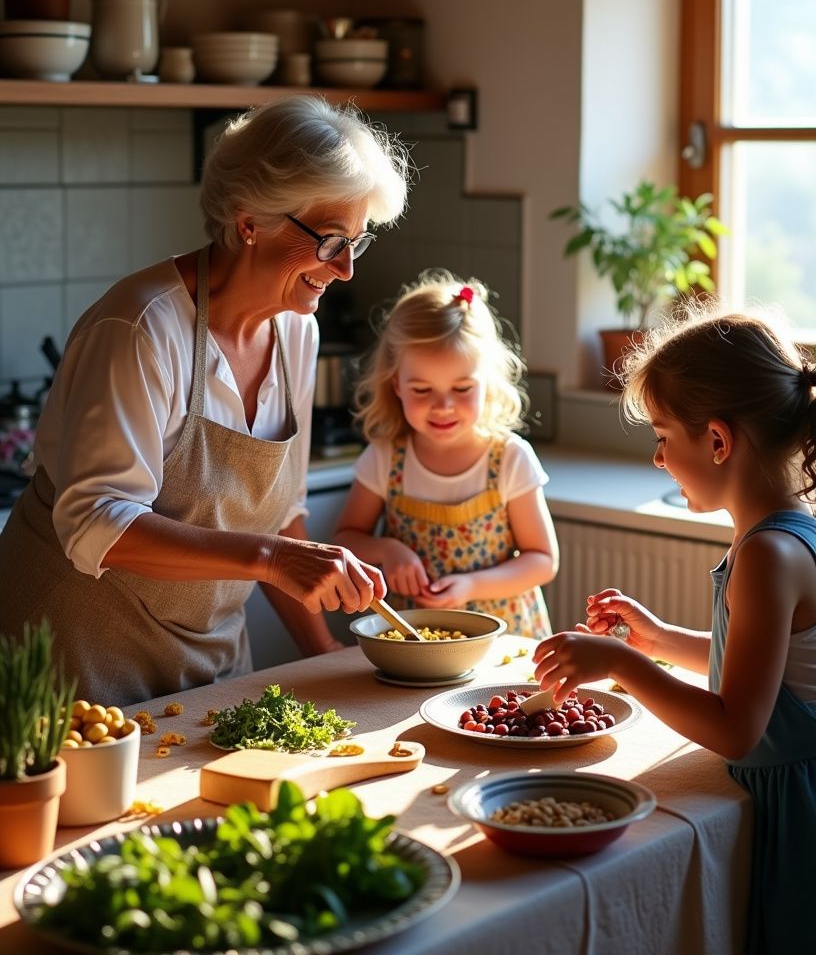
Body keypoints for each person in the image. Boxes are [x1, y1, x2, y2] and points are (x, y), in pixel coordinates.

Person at [0, 95, 410, 705]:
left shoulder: (297, 329)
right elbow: (96, 525)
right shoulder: (140, 328)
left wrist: (323, 654)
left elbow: (280, 518)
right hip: (70, 658)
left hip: (208, 660)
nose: (346, 269)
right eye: (329, 240)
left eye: (356, 241)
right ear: (250, 223)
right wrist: (273, 559)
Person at [531, 304, 816, 955]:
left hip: (801, 818)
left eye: (663, 435)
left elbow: (738, 723)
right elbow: (761, 669)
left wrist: (621, 663)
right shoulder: (787, 533)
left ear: (717, 441)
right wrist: (658, 639)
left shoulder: (766, 553)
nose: (659, 456)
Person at [333, 271, 558, 636]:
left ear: (488, 381)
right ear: (397, 385)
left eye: (462, 387)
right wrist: (387, 550)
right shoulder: (385, 457)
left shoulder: (511, 459)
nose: (443, 406)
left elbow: (542, 561)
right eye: (422, 389)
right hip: (415, 637)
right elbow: (345, 539)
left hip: (502, 639)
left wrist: (472, 586)